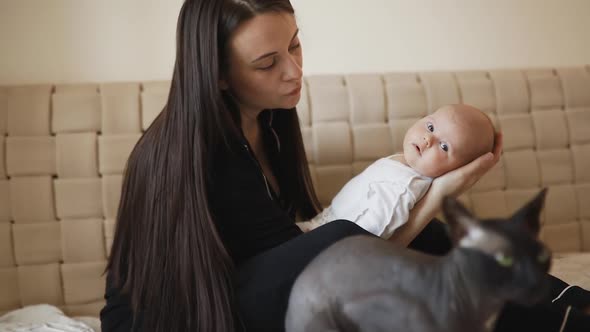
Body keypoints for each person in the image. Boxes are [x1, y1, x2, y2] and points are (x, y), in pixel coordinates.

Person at [99, 0, 590, 331]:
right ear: (218, 75)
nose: (294, 71)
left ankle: (567, 307)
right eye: (267, 63)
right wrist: (439, 190)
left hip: (240, 290)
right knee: (351, 237)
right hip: (185, 317)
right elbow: (330, 268)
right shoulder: (202, 152)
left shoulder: (266, 124)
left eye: (293, 44)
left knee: (431, 238)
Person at [297, 104, 496, 239]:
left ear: (458, 171)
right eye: (430, 126)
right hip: (320, 225)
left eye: (444, 147)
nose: (428, 139)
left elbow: (371, 235)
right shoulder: (405, 164)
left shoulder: (403, 189)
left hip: (324, 244)